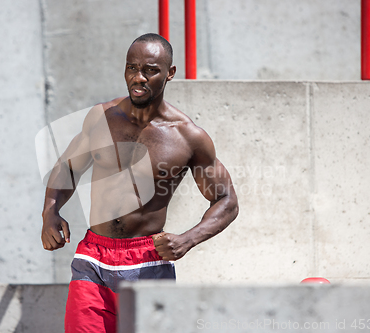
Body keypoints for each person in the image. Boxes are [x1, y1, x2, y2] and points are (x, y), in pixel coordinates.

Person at [41, 33, 239, 333]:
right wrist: (50, 212)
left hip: (148, 261)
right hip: (93, 258)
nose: (139, 77)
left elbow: (227, 201)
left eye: (150, 70)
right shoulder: (102, 117)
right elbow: (68, 167)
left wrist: (188, 239)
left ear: (170, 73)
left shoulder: (188, 137)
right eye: (131, 68)